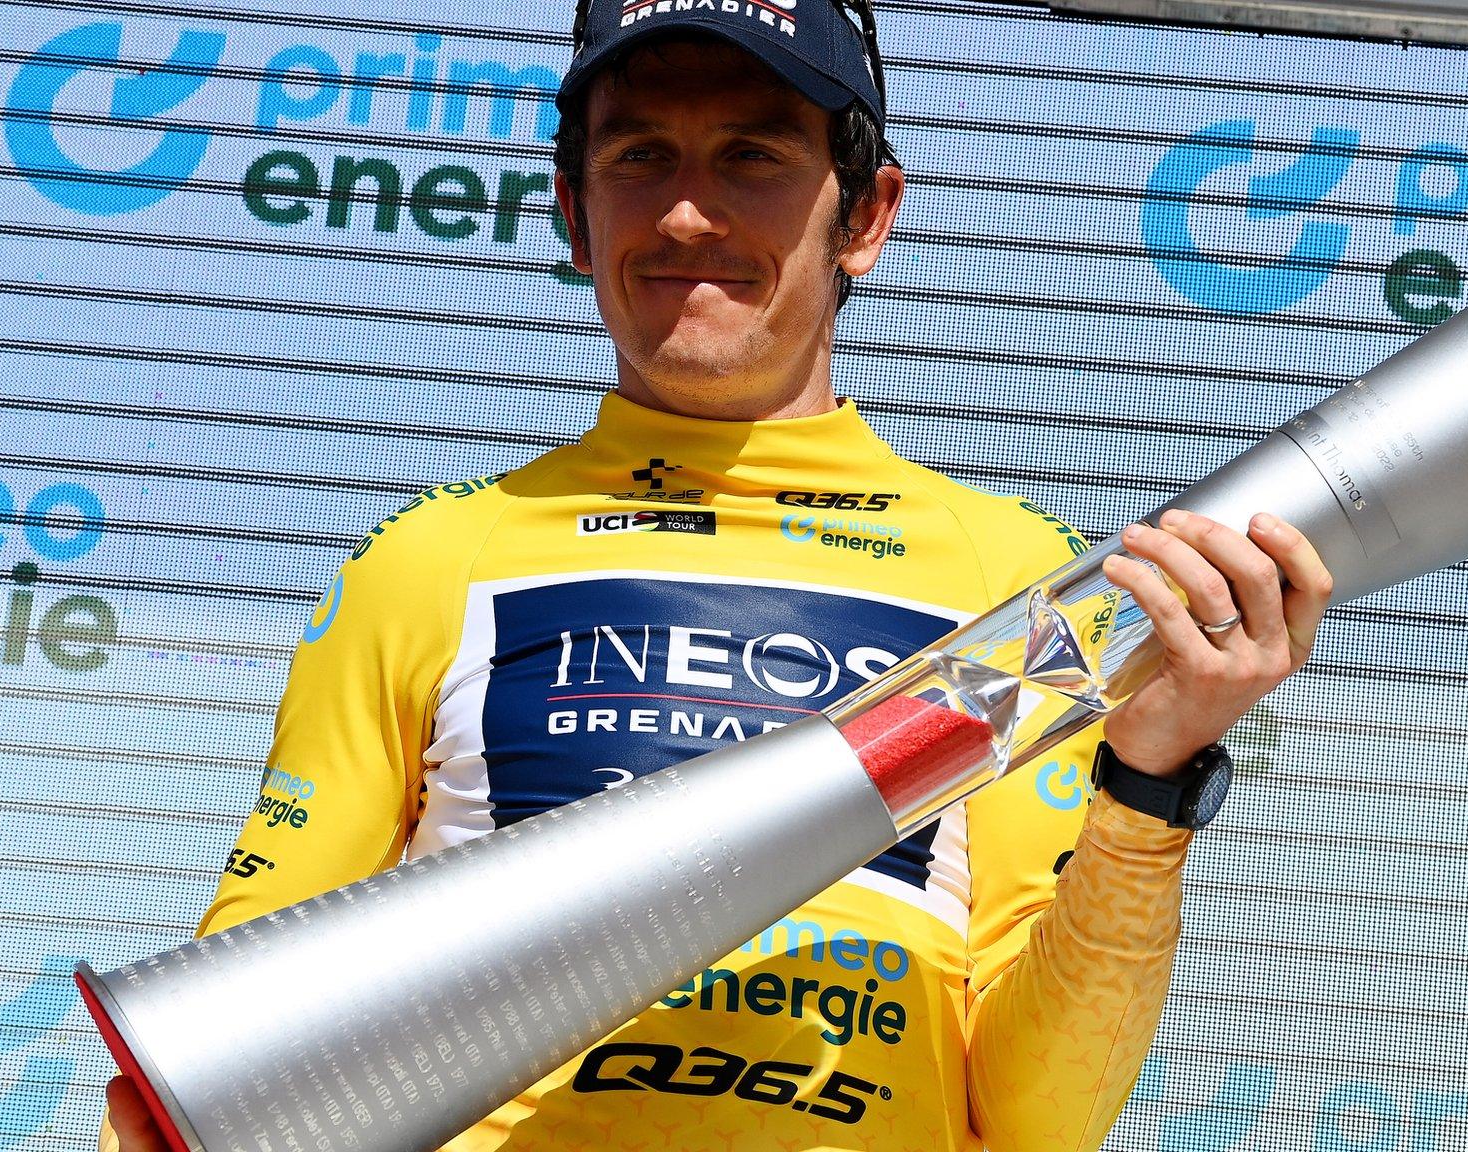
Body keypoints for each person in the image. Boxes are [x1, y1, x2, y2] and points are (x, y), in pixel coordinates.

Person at [99, 1, 1333, 1148]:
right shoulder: (434, 556)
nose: (688, 216)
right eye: (639, 158)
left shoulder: (1006, 573)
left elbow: (1033, 1119)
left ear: (865, 214)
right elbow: (223, 1060)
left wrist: (1145, 791)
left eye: (751, 157)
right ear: (574, 215)